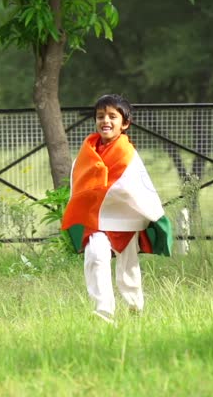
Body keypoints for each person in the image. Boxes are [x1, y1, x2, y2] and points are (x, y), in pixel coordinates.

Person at [61, 94, 173, 323]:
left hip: (125, 221)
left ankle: (135, 309)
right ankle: (103, 312)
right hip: (96, 220)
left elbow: (136, 188)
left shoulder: (129, 155)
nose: (106, 121)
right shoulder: (86, 153)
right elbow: (80, 185)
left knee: (128, 269)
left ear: (125, 123)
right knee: (95, 255)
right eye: (100, 116)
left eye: (113, 116)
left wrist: (153, 216)